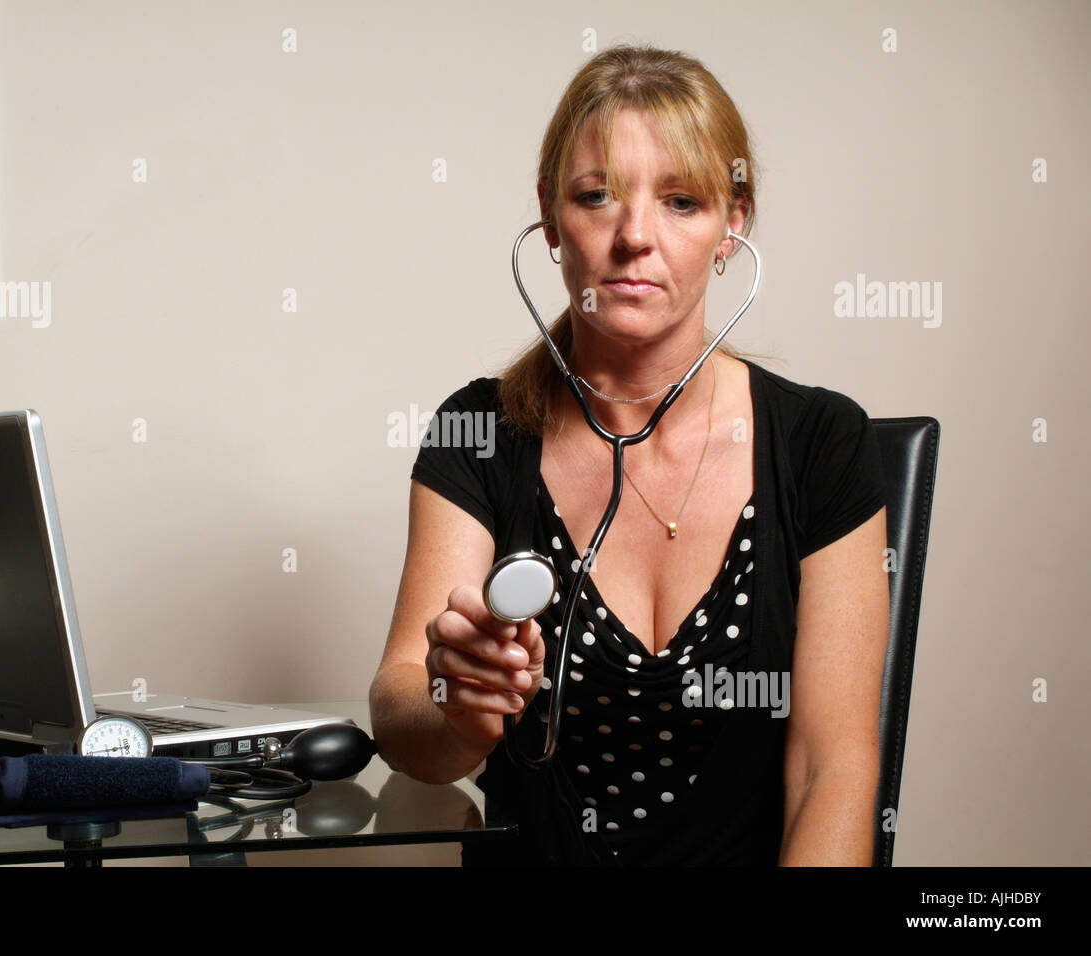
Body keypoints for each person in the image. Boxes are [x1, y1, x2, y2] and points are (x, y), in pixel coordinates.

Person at [368, 44, 890, 866]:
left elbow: (833, 771)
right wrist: (457, 706)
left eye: (682, 201)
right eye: (595, 196)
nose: (635, 237)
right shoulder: (479, 431)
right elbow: (404, 723)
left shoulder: (823, 444)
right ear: (548, 217)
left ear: (733, 224)